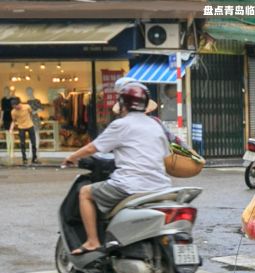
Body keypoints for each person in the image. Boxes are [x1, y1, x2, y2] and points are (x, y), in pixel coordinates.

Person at [63, 82, 171, 255]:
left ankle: (92, 241)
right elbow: (165, 155)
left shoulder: (121, 125)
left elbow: (93, 148)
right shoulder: (156, 125)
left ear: (123, 104)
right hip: (161, 186)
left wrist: (71, 157)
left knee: (85, 192)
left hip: (130, 185)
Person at [9, 97, 38, 165]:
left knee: (33, 143)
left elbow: (31, 113)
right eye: (13, 107)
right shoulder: (13, 112)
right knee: (22, 144)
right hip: (21, 127)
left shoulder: (27, 107)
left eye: (16, 106)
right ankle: (24, 159)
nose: (15, 108)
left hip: (30, 126)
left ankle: (34, 158)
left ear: (19, 104)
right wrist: (11, 129)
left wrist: (29, 120)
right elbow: (13, 121)